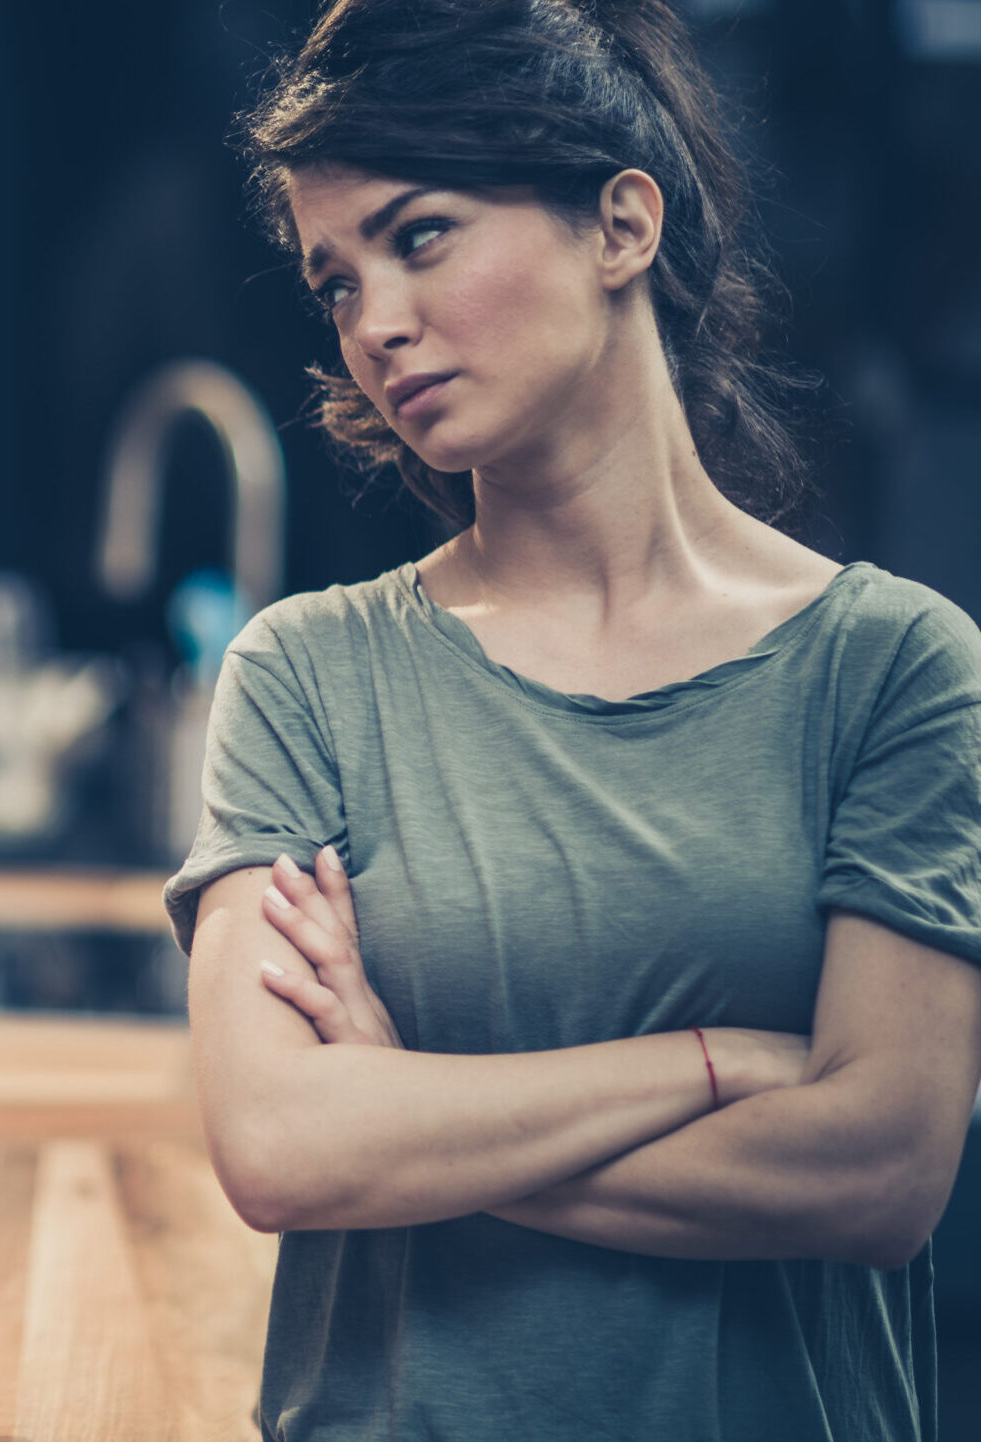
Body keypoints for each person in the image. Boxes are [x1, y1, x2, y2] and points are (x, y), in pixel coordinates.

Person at [163, 0, 981, 1437]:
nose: (379, 324)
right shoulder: (308, 675)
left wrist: (410, 1104)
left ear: (622, 225)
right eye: (336, 281)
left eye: (421, 236)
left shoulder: (898, 670)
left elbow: (880, 1177)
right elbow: (283, 1145)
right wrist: (714, 1068)